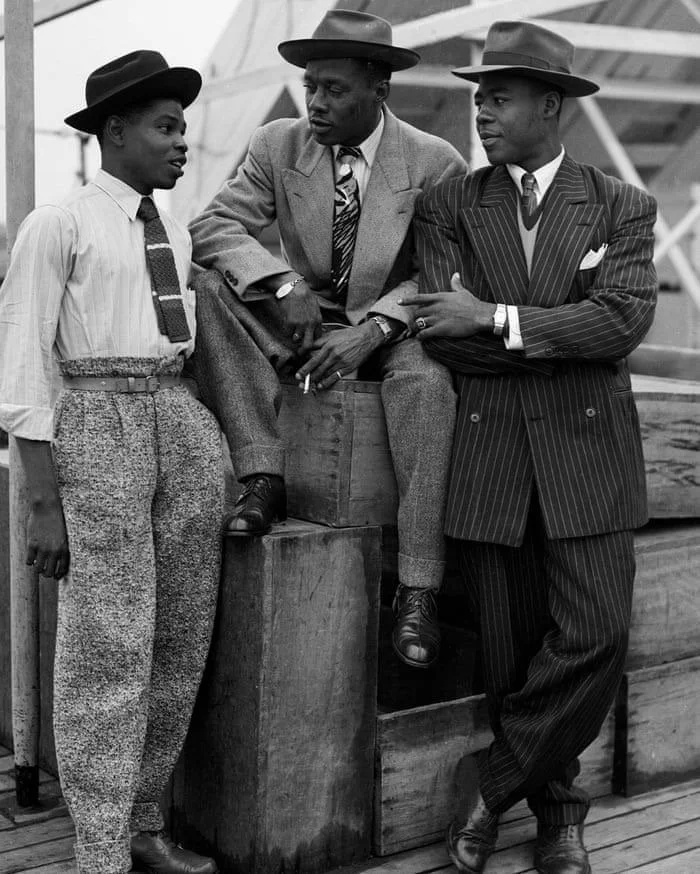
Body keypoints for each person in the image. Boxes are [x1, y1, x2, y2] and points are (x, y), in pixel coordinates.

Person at [401, 20, 657, 874]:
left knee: (597, 633)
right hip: (492, 460)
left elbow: (622, 321)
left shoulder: (623, 205)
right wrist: (549, 333)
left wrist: (499, 316)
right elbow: (443, 333)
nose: (481, 111)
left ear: (552, 106)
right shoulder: (449, 203)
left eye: (499, 97)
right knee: (511, 658)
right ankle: (559, 820)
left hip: (590, 462)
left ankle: (492, 781)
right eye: (479, 97)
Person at [187, 9, 467, 668]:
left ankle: (419, 587)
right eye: (310, 85)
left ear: (380, 90)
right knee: (207, 285)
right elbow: (213, 227)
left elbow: (441, 272)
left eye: (334, 89)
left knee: (429, 378)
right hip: (303, 318)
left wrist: (372, 331)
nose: (315, 101)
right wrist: (283, 283)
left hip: (396, 327)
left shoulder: (435, 162)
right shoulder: (277, 145)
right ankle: (263, 475)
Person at [0, 51, 224, 874]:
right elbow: (21, 364)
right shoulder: (56, 225)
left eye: (183, 130)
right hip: (96, 423)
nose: (180, 144)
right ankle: (98, 848)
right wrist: (42, 501)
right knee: (107, 643)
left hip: (177, 415)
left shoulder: (176, 227)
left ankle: (142, 822)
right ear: (114, 131)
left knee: (179, 635)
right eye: (166, 128)